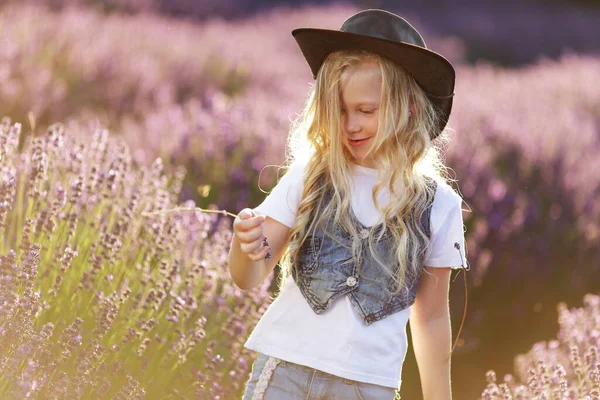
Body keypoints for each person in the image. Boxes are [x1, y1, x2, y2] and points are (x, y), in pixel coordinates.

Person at [228, 8, 468, 400]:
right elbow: (250, 277)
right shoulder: (311, 177)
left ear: (408, 107)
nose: (351, 124)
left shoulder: (438, 205)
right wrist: (244, 247)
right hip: (285, 371)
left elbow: (431, 318)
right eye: (338, 111)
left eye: (366, 111)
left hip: (367, 387)